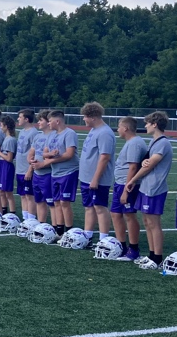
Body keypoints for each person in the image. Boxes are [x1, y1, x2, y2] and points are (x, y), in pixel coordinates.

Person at [124, 111, 173, 269]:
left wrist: (132, 180)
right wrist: (144, 163)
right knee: (147, 222)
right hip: (147, 186)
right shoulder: (154, 141)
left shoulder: (163, 143)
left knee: (153, 223)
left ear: (155, 124)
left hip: (155, 188)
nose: (145, 126)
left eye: (148, 123)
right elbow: (146, 162)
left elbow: (150, 164)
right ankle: (152, 255)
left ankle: (157, 257)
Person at [111, 117, 148, 262]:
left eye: (119, 126)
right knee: (115, 213)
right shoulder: (131, 142)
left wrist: (126, 189)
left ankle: (133, 249)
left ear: (126, 128)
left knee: (129, 215)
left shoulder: (135, 143)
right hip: (120, 183)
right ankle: (121, 246)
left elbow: (133, 167)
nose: (118, 129)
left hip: (127, 185)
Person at [78, 102, 115, 245]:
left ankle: (103, 239)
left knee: (100, 207)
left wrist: (95, 178)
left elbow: (104, 157)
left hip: (97, 179)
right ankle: (87, 236)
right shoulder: (94, 130)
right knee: (89, 207)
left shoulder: (104, 133)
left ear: (92, 117)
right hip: (87, 177)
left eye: (85, 116)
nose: (84, 119)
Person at [44, 110, 79, 237]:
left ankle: (69, 231)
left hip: (68, 171)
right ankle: (60, 231)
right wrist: (50, 154)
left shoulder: (69, 133)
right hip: (55, 172)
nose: (48, 123)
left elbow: (69, 154)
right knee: (57, 202)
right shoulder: (51, 135)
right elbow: (44, 153)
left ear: (57, 121)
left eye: (50, 121)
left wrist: (51, 159)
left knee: (64, 202)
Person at [29, 110, 54, 224]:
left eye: (40, 120)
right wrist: (30, 161)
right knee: (39, 201)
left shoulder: (54, 136)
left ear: (48, 121)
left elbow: (54, 156)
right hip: (37, 174)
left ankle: (55, 227)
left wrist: (42, 164)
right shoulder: (38, 136)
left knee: (51, 203)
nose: (38, 122)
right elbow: (31, 152)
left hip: (48, 174)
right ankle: (41, 224)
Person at [15, 109, 37, 221]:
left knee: (29, 196)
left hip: (26, 169)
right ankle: (25, 219)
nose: (18, 119)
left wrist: (30, 170)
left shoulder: (34, 133)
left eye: (20, 117)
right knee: (22, 195)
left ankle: (31, 220)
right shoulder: (22, 131)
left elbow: (35, 153)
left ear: (26, 119)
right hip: (19, 169)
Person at [0, 115, 17, 213]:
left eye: (2, 125)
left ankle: (12, 214)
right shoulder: (6, 139)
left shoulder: (10, 139)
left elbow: (9, 158)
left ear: (6, 127)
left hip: (6, 167)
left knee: (8, 192)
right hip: (2, 165)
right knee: (1, 191)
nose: (0, 127)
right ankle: (4, 212)